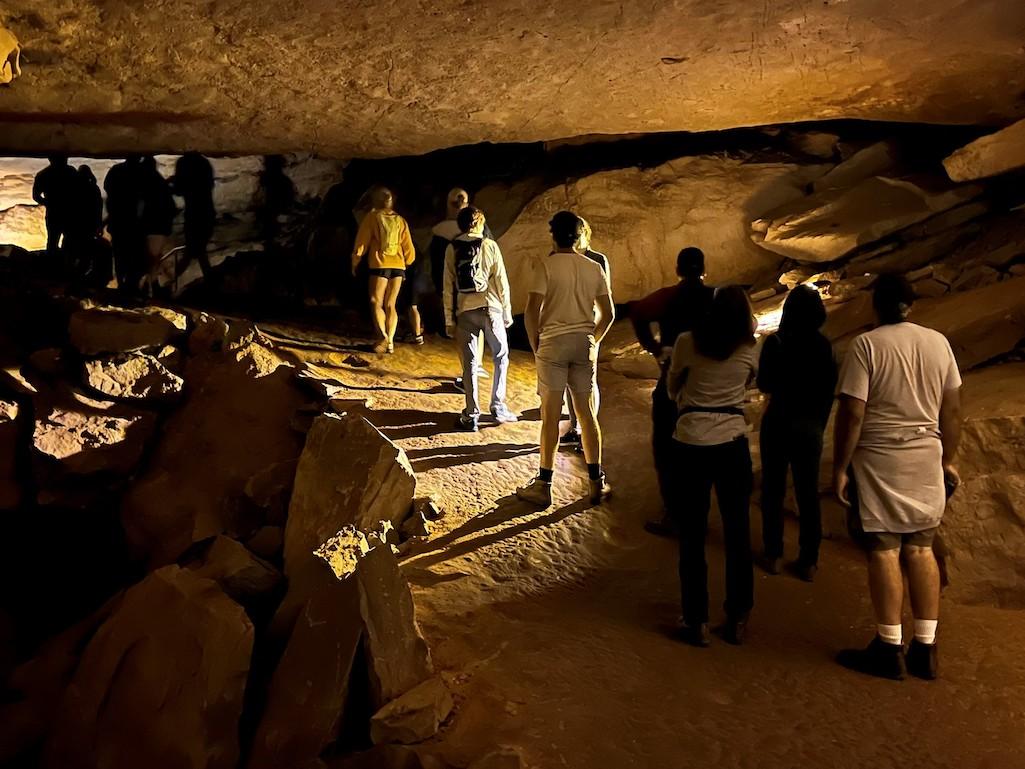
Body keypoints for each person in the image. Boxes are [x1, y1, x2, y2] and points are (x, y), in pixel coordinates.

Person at [833, 275, 962, 681]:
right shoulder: (938, 343)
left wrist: (840, 466)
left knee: (885, 550)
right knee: (921, 549)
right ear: (911, 305)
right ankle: (926, 646)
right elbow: (952, 410)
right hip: (926, 453)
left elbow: (853, 413)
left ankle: (889, 647)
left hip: (880, 457)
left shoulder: (866, 346)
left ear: (876, 305)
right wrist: (949, 459)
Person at [667, 286, 758, 647]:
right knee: (737, 533)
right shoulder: (752, 348)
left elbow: (673, 385)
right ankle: (737, 616)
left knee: (692, 534)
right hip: (732, 443)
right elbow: (754, 382)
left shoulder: (688, 341)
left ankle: (696, 620)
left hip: (690, 441)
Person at [517, 211, 615, 508]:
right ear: (579, 235)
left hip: (553, 345)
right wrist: (593, 341)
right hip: (583, 344)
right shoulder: (593, 267)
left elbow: (532, 310)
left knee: (550, 415)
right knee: (587, 414)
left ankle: (544, 485)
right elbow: (609, 314)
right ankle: (596, 482)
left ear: (553, 235)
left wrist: (536, 345)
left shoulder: (546, 266)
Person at [629, 248, 715, 537]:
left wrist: (653, 348)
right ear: (704, 269)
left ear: (678, 269)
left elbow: (638, 312)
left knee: (666, 447)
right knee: (700, 448)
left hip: (673, 375)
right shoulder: (715, 297)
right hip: (707, 382)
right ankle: (698, 514)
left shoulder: (668, 297)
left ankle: (674, 512)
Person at [757, 285, 837, 582]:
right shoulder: (824, 346)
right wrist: (819, 422)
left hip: (778, 421)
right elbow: (829, 388)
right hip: (810, 425)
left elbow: (764, 384)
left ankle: (774, 552)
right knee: (807, 493)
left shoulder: (775, 342)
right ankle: (808, 560)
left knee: (773, 490)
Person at [442, 206, 517, 430]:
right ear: (480, 223)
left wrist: (448, 319)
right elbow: (501, 282)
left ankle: (471, 414)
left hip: (465, 311)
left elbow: (448, 286)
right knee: (500, 356)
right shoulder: (490, 245)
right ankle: (497, 405)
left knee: (470, 364)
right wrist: (507, 311)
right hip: (491, 308)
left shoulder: (451, 247)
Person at [560, 217, 610, 449]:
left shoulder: (597, 260)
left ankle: (587, 430)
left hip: (589, 325)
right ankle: (575, 427)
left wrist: (596, 336)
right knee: (571, 381)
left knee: (588, 382)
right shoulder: (567, 258)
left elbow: (605, 299)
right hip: (569, 325)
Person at [351, 186, 415, 354]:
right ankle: (391, 342)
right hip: (399, 267)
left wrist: (355, 260)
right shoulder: (401, 220)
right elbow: (410, 251)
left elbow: (362, 243)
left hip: (380, 265)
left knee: (375, 302)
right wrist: (406, 263)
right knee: (391, 304)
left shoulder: (372, 217)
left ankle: (383, 337)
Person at [171, 152, 217, 283]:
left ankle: (170, 283)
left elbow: (179, 189)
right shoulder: (204, 163)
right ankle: (210, 282)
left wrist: (171, 183)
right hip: (207, 212)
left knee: (193, 251)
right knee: (198, 251)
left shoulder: (184, 163)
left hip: (194, 214)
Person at [103, 155, 146, 292]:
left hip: (119, 221)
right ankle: (130, 283)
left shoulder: (117, 170)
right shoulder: (141, 172)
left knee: (120, 254)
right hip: (134, 222)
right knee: (133, 254)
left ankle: (122, 282)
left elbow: (108, 190)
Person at [139, 156, 177, 295]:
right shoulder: (159, 183)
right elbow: (171, 207)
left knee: (150, 258)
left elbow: (141, 205)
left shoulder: (146, 183)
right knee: (153, 257)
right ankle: (151, 285)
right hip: (158, 226)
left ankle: (149, 285)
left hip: (150, 225)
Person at [32, 155, 78, 264]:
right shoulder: (71, 172)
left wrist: (48, 203)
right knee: (67, 241)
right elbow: (79, 191)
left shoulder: (43, 174)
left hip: (55, 213)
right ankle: (66, 267)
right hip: (69, 212)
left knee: (53, 240)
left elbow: (36, 196)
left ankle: (53, 268)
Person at [63, 165, 104, 283]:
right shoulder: (94, 189)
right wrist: (99, 225)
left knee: (71, 252)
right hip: (88, 226)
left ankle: (71, 278)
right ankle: (81, 278)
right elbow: (98, 209)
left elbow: (67, 208)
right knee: (85, 253)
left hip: (73, 226)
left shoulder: (71, 189)